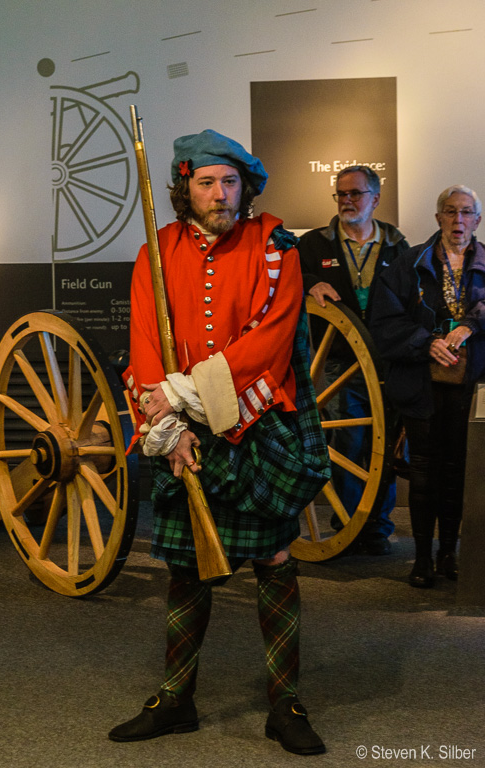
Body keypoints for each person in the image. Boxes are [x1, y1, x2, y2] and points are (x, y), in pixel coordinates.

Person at [109, 129, 331, 754]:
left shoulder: (276, 248)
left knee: (274, 561)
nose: (219, 194)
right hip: (184, 436)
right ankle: (175, 698)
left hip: (255, 425)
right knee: (185, 567)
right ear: (186, 189)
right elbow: (147, 343)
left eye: (229, 181)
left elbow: (271, 340)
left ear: (245, 187)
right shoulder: (157, 251)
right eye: (206, 183)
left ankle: (285, 704)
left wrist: (184, 394)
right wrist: (168, 425)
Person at [369, 185, 485, 588]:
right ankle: (421, 560)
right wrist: (426, 342)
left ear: (477, 220)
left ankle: (449, 555)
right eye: (450, 212)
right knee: (422, 473)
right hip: (420, 384)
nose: (458, 220)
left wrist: (472, 323)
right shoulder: (408, 263)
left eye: (466, 212)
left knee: (457, 472)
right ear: (438, 218)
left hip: (469, 387)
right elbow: (383, 322)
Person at [298, 166, 409, 555]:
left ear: (375, 199)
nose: (347, 201)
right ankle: (347, 524)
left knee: (384, 446)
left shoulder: (398, 248)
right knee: (347, 443)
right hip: (337, 364)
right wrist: (312, 283)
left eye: (355, 194)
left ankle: (376, 526)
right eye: (341, 194)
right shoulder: (313, 244)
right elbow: (290, 276)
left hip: (387, 361)